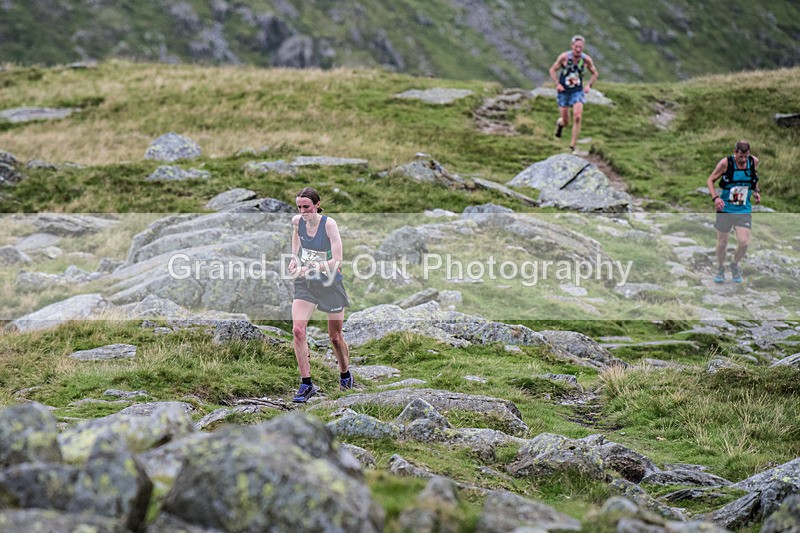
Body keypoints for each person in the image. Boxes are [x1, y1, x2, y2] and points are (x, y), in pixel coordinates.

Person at [287, 187, 353, 402]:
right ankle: (306, 384)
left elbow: (338, 261)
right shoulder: (297, 221)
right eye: (299, 207)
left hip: (330, 283)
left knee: (335, 337)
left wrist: (315, 266)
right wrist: (294, 258)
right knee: (298, 330)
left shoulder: (329, 225)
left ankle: (345, 374)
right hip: (306, 283)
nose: (302, 211)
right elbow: (296, 238)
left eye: (306, 207)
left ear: (317, 205)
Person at [706, 140, 761, 283]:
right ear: (735, 152)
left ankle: (734, 264)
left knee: (744, 243)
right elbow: (710, 180)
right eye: (740, 156)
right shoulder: (725, 163)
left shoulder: (753, 161)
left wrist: (756, 191)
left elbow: (754, 177)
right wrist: (715, 198)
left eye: (746, 156)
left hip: (743, 209)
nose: (743, 160)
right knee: (722, 243)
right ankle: (720, 268)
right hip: (725, 208)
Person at [548, 35, 599, 152]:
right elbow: (552, 70)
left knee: (577, 116)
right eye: (576, 47)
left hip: (577, 91)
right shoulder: (564, 57)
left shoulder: (586, 59)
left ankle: (572, 145)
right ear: (572, 46)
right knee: (566, 121)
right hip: (564, 92)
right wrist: (557, 84)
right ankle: (560, 124)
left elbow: (595, 73)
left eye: (580, 47)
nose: (578, 49)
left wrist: (589, 85)